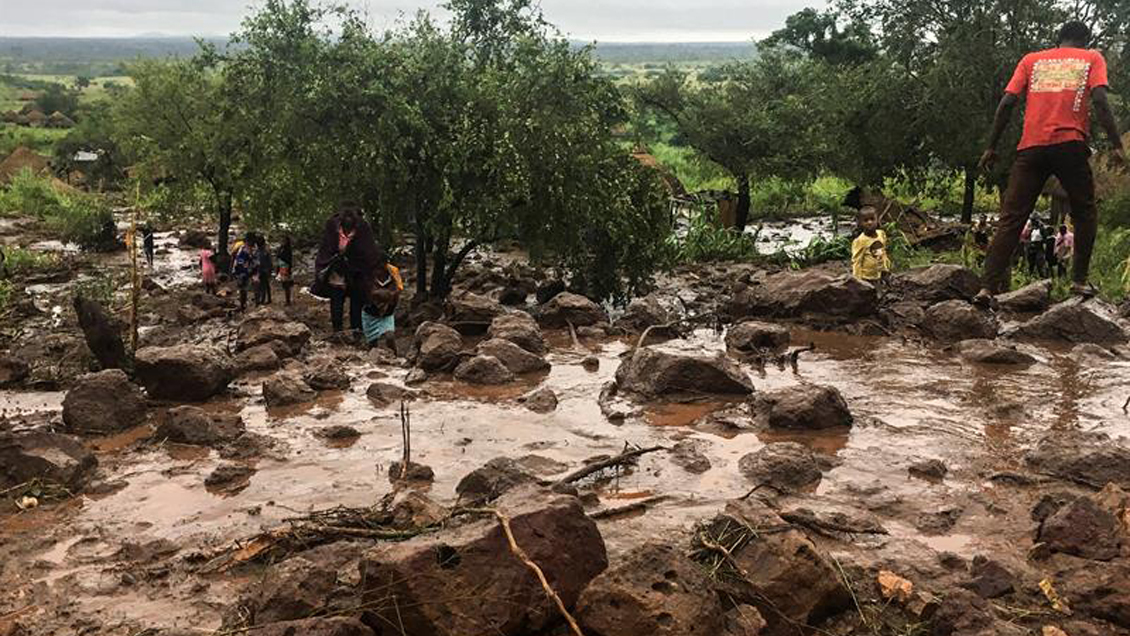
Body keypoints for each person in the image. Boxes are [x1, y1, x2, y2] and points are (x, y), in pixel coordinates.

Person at [976, 21, 1126, 304]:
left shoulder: (1031, 60)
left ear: (1058, 40)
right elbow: (1101, 102)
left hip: (1031, 147)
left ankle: (986, 287)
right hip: (1070, 144)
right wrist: (1117, 145)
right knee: (1085, 211)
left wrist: (991, 146)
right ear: (1085, 40)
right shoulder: (1092, 58)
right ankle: (1079, 282)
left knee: (1011, 218)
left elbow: (1007, 103)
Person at [314, 205, 381, 337]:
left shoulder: (363, 229)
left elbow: (369, 253)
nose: (349, 220)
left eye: (352, 217)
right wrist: (333, 261)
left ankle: (357, 331)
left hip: (357, 272)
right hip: (337, 270)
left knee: (357, 302)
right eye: (346, 217)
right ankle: (337, 331)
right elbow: (326, 248)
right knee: (337, 300)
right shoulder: (332, 227)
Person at [362, 252, 403, 350]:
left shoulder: (393, 273)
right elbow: (365, 291)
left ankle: (394, 356)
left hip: (387, 313)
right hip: (370, 312)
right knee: (372, 341)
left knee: (390, 336)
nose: (378, 270)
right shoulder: (368, 274)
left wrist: (388, 296)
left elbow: (398, 290)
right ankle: (373, 357)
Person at [851, 207, 891, 284]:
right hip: (867, 277)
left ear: (877, 220)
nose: (869, 222)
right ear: (860, 223)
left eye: (872, 219)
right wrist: (857, 280)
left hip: (880, 273)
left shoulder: (881, 234)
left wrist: (886, 268)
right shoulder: (860, 241)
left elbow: (883, 252)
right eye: (865, 220)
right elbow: (856, 261)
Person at [232, 233, 257, 312]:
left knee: (245, 289)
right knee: (243, 289)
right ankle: (243, 305)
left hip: (246, 271)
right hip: (242, 271)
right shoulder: (243, 248)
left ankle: (244, 304)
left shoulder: (250, 249)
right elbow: (237, 259)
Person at [276, 236, 295, 306]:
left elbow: (288, 260)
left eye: (284, 241)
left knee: (286, 284)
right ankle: (287, 300)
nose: (282, 242)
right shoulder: (281, 248)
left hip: (285, 267)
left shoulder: (288, 250)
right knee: (284, 284)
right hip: (281, 267)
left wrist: (288, 270)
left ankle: (288, 301)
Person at [255, 235, 273, 305]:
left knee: (263, 285)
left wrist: (269, 270)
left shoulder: (265, 251)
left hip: (264, 270)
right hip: (260, 270)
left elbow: (269, 262)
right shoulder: (258, 251)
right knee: (263, 285)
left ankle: (263, 300)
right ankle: (265, 299)